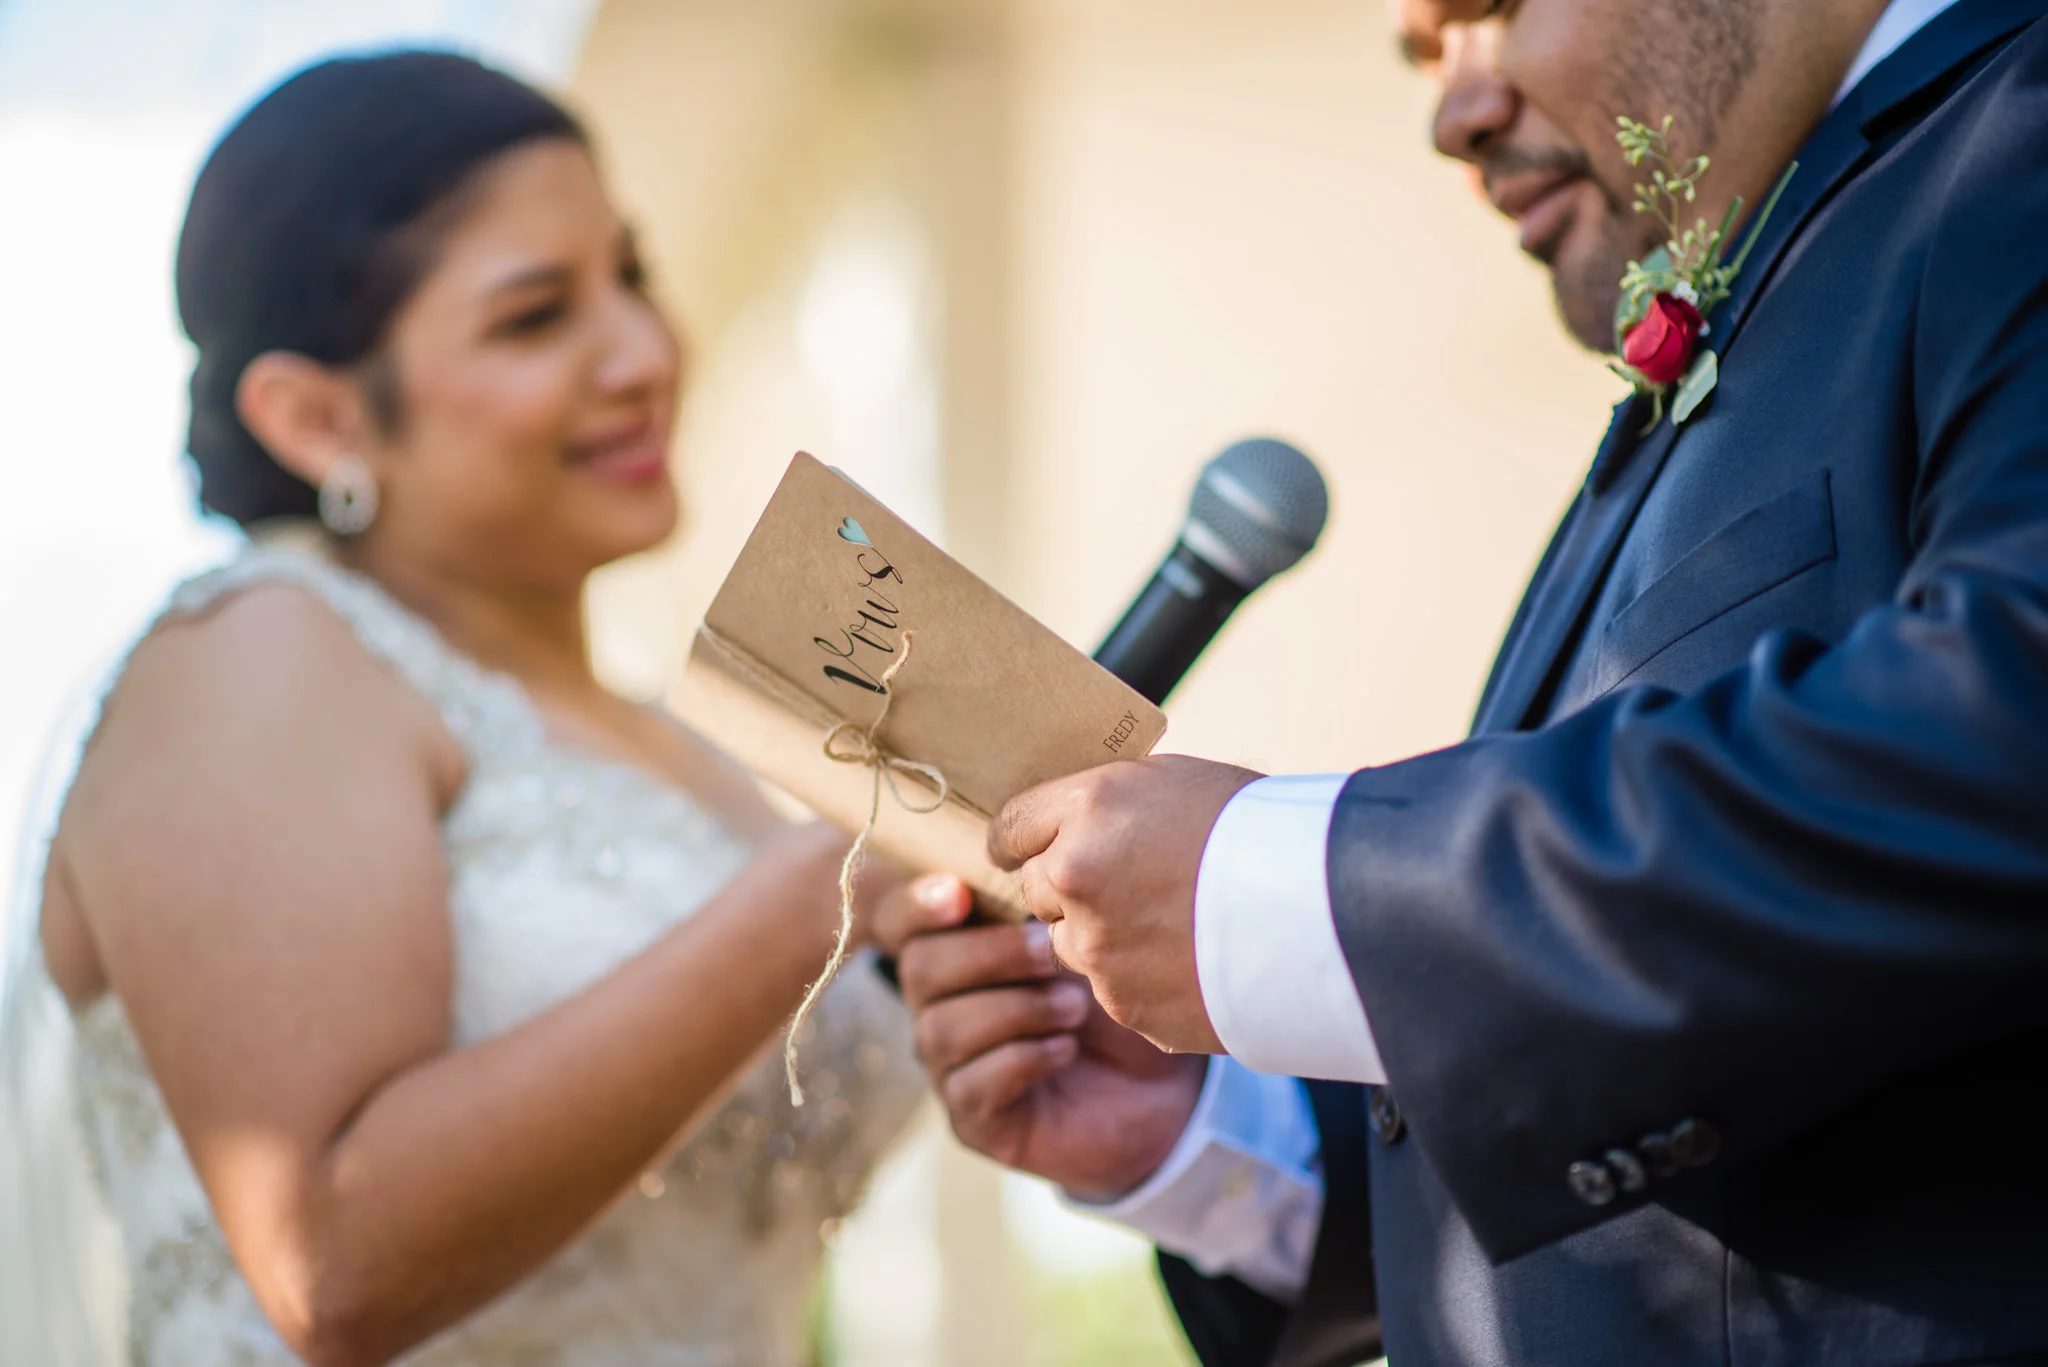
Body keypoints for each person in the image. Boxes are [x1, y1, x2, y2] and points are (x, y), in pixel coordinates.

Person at [892, 0, 2048, 1364]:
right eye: (1425, 56)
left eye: (1490, 9)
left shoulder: (2015, 139)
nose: (1457, 111)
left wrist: (1299, 890)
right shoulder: (1761, 274)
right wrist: (1217, 1139)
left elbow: (2007, 733)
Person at [0, 51, 968, 1367]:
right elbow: (329, 1266)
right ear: (314, 416)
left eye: (632, 275)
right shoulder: (257, 655)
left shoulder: (685, 742)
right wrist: (818, 893)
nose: (645, 353)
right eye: (535, 318)